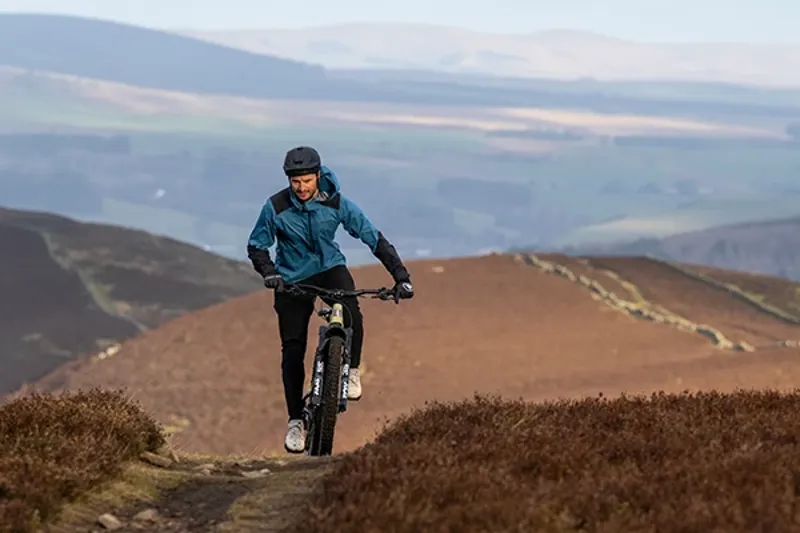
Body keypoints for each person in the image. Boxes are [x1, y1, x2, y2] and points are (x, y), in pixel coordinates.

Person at [246, 145, 414, 453]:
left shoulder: (337, 203)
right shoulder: (276, 207)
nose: (301, 188)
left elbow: (372, 237)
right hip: (291, 277)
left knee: (352, 313)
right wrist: (270, 273)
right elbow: (257, 246)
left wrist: (401, 277)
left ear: (318, 176)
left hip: (328, 269)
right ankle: (296, 421)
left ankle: (350, 372)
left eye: (307, 181)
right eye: (295, 182)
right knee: (293, 349)